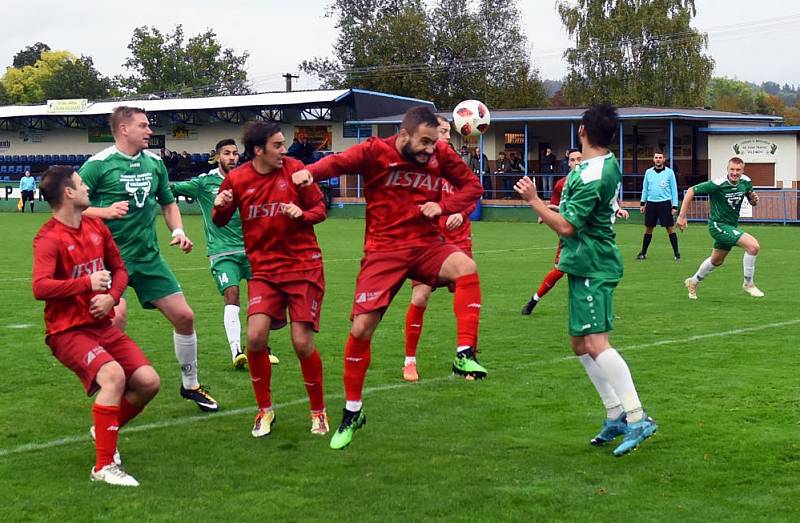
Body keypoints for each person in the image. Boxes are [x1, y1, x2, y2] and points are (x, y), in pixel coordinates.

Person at [291, 105, 485, 450]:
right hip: (383, 251)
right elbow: (340, 161)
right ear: (404, 135)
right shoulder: (374, 150)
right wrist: (311, 172)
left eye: (434, 141)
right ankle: (353, 411)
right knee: (361, 329)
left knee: (466, 268)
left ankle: (464, 352)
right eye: (424, 142)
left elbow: (472, 187)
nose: (430, 148)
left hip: (427, 244)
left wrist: (444, 206)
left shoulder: (441, 153)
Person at [514, 104, 657, 457]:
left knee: (596, 342)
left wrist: (535, 201)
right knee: (579, 344)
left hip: (594, 264)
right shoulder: (599, 166)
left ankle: (637, 418)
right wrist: (550, 209)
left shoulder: (592, 173)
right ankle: (615, 414)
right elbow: (575, 216)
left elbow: (568, 227)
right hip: (582, 262)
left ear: (582, 131)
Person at [80, 106, 218, 413]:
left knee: (185, 317)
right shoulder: (99, 165)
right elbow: (67, 204)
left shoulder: (155, 163)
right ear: (124, 129)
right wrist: (105, 211)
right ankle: (112, 382)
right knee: (115, 318)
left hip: (147, 256)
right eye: (143, 125)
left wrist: (179, 230)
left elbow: (168, 204)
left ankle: (191, 384)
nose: (149, 131)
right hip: (108, 260)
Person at [33, 165, 160, 487]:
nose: (87, 188)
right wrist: (85, 283)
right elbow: (40, 287)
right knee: (114, 376)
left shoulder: (95, 226)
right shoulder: (48, 238)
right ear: (68, 193)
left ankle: (104, 428)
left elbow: (119, 269)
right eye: (80, 184)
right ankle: (103, 466)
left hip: (101, 324)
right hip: (67, 330)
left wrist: (112, 298)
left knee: (148, 382)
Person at [212, 122, 329, 438]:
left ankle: (318, 412)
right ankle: (264, 410)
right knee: (255, 338)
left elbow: (320, 208)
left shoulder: (295, 170)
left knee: (301, 342)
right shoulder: (238, 179)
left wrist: (301, 215)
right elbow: (220, 220)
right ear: (258, 150)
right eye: (277, 145)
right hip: (264, 270)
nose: (284, 150)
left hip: (304, 267)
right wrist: (219, 208)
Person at [170, 139, 280, 369]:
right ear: (217, 156)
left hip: (252, 250)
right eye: (227, 153)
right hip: (223, 252)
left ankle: (262, 349)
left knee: (261, 299)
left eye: (235, 153)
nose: (232, 157)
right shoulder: (204, 182)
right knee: (232, 294)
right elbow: (169, 188)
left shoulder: (247, 179)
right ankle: (237, 351)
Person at [402, 115, 477, 382]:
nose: (445, 136)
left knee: (466, 295)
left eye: (446, 131)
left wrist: (462, 212)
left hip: (458, 238)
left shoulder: (455, 163)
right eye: (440, 131)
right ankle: (409, 361)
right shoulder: (421, 164)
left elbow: (471, 194)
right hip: (430, 240)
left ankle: (468, 357)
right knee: (420, 296)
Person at [677, 157, 764, 299]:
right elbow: (691, 191)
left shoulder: (746, 182)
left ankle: (693, 281)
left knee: (716, 260)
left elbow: (751, 200)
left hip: (730, 225)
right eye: (732, 169)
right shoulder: (718, 184)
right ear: (727, 169)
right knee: (753, 246)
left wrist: (754, 200)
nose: (735, 173)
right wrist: (682, 216)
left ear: (743, 170)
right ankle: (748, 284)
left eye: (738, 170)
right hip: (717, 225)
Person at [521, 148, 582, 315]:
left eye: (579, 159)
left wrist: (617, 209)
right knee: (560, 269)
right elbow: (552, 207)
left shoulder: (590, 182)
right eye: (573, 160)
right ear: (568, 163)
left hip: (588, 232)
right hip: (568, 232)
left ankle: (599, 308)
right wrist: (545, 213)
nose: (577, 162)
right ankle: (534, 299)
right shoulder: (561, 184)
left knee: (597, 268)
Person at [636, 152, 680, 261]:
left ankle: (676, 253)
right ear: (653, 159)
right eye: (656, 157)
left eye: (660, 157)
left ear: (664, 159)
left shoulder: (669, 173)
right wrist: (642, 203)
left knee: (670, 228)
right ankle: (643, 253)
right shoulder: (648, 172)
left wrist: (674, 206)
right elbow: (645, 189)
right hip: (651, 203)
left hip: (664, 203)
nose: (658, 159)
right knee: (648, 229)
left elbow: (674, 190)